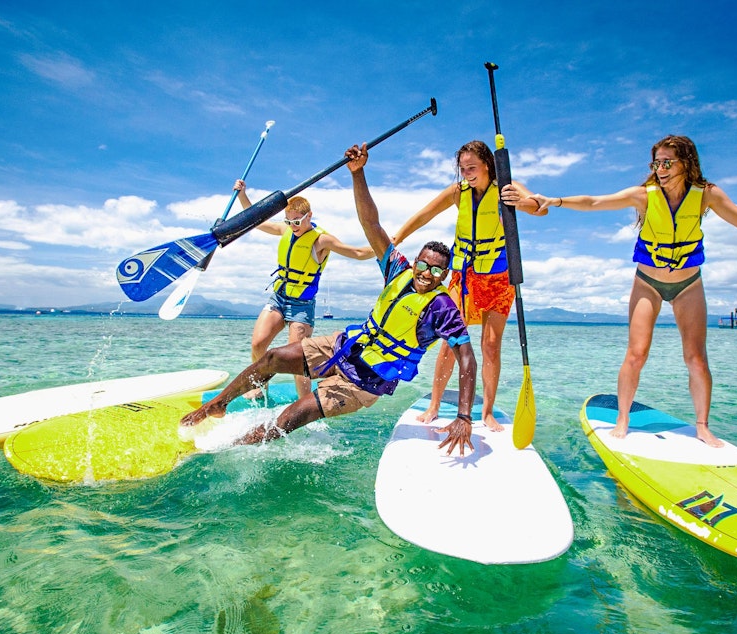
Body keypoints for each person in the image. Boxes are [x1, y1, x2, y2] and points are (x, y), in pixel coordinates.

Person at [181, 144, 479, 455]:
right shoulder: (397, 270)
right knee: (270, 359)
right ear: (414, 261)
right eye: (422, 264)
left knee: (290, 417)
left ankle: (220, 448)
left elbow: (467, 359)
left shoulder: (443, 308)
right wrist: (358, 173)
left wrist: (463, 416)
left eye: (435, 270)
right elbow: (371, 224)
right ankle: (216, 406)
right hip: (346, 346)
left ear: (444, 275)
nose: (426, 273)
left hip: (365, 381)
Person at [501, 134, 737, 447]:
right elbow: (596, 201)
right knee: (636, 354)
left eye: (668, 162)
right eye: (656, 163)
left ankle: (703, 426)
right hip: (648, 283)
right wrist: (555, 201)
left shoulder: (706, 194)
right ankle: (622, 417)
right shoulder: (645, 196)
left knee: (696, 359)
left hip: (688, 283)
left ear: (687, 163)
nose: (661, 168)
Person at [392, 140, 545, 431]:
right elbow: (425, 214)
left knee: (490, 346)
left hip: (499, 278)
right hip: (464, 279)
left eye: (471, 168)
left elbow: (541, 209)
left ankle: (486, 412)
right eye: (462, 169)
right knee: (450, 343)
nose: (466, 174)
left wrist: (518, 202)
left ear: (487, 164)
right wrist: (396, 238)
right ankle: (434, 406)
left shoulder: (507, 186)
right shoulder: (458, 193)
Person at [233, 179, 374, 399]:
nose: (292, 227)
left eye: (297, 222)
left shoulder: (321, 240)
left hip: (302, 306)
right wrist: (242, 195)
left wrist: (385, 244)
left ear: (309, 216)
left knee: (296, 358)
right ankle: (261, 389)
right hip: (279, 298)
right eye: (288, 222)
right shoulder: (285, 230)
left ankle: (304, 403)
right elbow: (256, 221)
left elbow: (357, 253)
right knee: (258, 344)